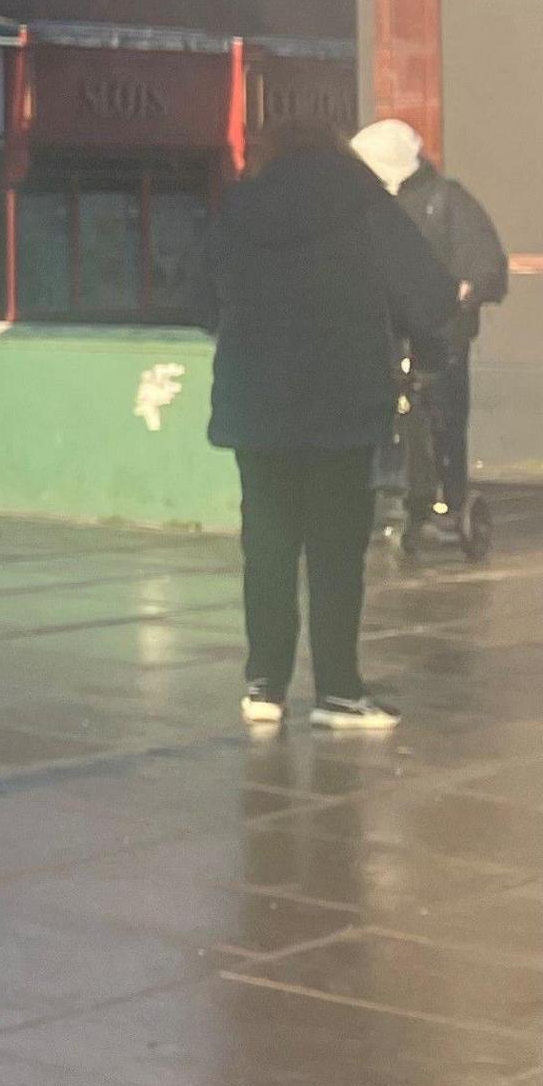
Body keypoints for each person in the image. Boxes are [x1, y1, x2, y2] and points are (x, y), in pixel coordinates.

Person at [202, 124, 457, 731]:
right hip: (342, 397)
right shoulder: (363, 202)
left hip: (256, 398)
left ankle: (264, 685)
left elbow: (193, 295)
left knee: (265, 543)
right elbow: (427, 296)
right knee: (337, 548)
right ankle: (338, 690)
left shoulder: (240, 206)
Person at [353, 119, 509, 560]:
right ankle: (405, 497)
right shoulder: (372, 206)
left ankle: (442, 498)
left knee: (438, 417)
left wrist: (465, 291)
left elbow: (484, 267)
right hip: (389, 334)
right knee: (395, 421)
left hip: (438, 338)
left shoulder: (445, 201)